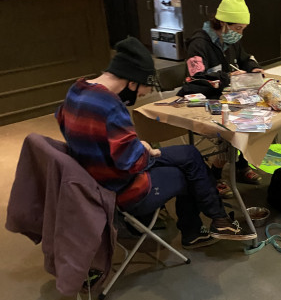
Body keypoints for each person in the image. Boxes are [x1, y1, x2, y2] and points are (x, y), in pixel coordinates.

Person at [56, 36, 254, 249]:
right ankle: (208, 226)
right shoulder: (110, 106)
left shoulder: (76, 91)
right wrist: (146, 149)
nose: (142, 95)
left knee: (189, 154)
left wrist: (133, 145)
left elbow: (70, 127)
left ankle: (214, 223)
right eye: (143, 90)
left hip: (93, 176)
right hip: (119, 185)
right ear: (131, 81)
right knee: (190, 169)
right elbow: (133, 163)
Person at [184, 0, 263, 198]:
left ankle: (241, 163)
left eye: (243, 29)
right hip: (204, 96)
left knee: (256, 120)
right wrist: (227, 76)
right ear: (223, 23)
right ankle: (215, 173)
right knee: (232, 126)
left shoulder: (232, 40)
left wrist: (253, 68)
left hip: (227, 95)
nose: (240, 34)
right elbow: (196, 77)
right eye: (237, 28)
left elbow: (245, 58)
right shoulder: (199, 44)